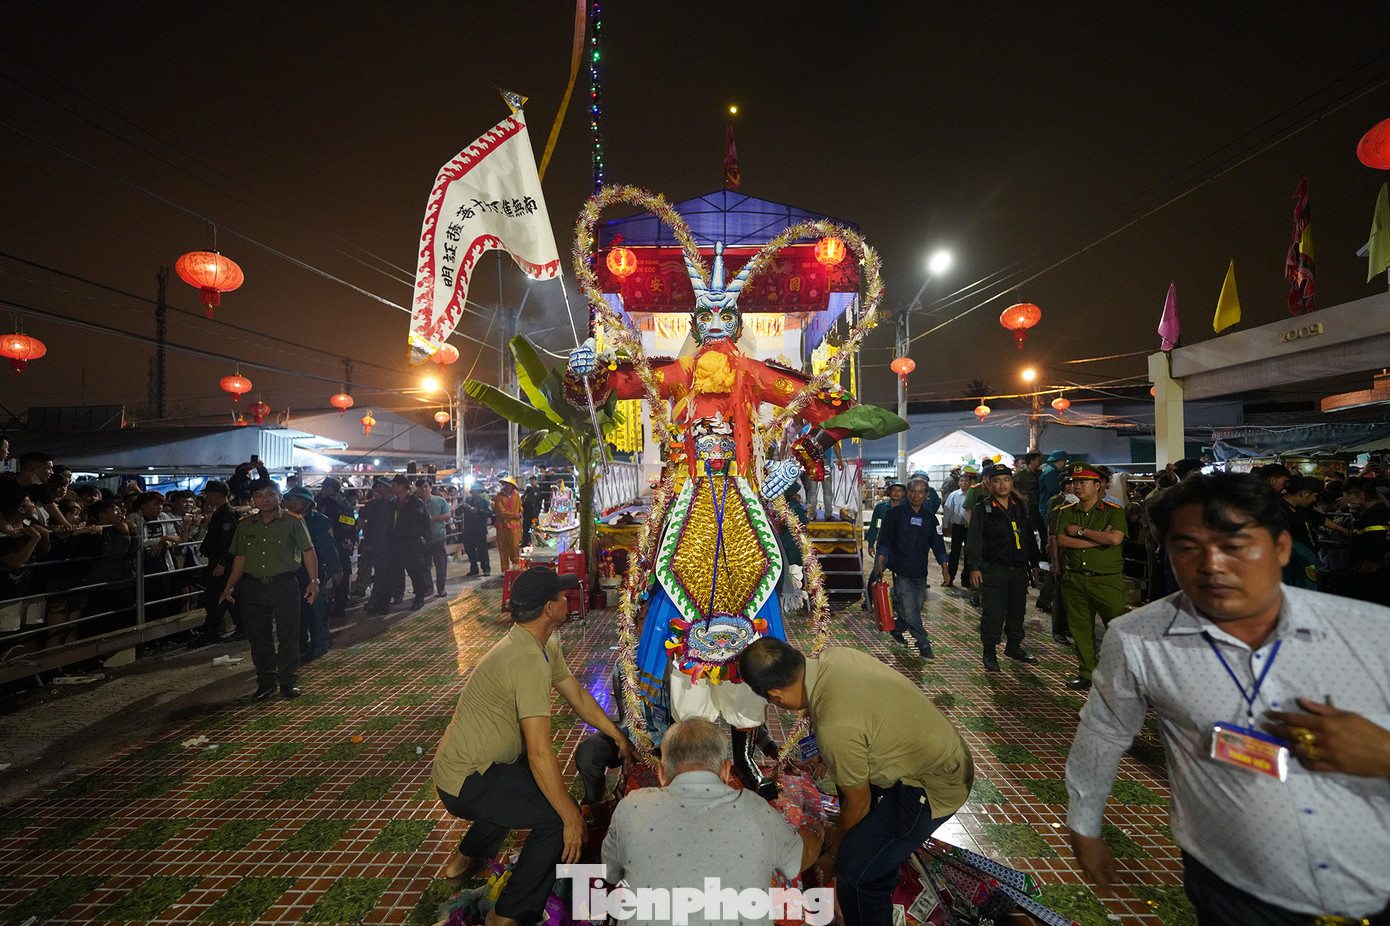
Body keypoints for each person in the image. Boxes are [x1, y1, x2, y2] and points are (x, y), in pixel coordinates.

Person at [1065, 472, 1390, 925]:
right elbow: (1104, 729)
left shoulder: (1373, 633)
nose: (1211, 565)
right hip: (1235, 889)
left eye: (1235, 546)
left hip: (1376, 884)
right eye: (1187, 548)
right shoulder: (1141, 637)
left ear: (1280, 548)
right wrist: (1084, 822)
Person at [431, 566, 635, 926]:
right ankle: (506, 915)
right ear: (548, 608)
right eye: (560, 595)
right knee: (555, 818)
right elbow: (540, 751)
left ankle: (463, 860)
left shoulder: (538, 644)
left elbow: (577, 695)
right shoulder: (526, 660)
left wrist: (618, 735)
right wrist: (571, 815)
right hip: (466, 779)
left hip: (474, 768)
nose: (566, 598)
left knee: (526, 787)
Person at [740, 638, 974, 926]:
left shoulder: (834, 726)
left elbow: (858, 803)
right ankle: (884, 866)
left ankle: (873, 884)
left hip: (935, 784)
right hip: (937, 751)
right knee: (865, 841)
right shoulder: (836, 657)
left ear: (775, 695)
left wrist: (835, 855)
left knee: (857, 872)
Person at [601, 717, 823, 918]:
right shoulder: (755, 809)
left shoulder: (632, 807)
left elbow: (610, 873)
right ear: (727, 772)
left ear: (660, 773)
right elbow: (798, 858)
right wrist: (820, 833)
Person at [218, 482, 319, 701]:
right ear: (253, 499)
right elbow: (241, 558)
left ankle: (288, 681)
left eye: (270, 494)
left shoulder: (293, 522)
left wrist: (314, 581)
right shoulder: (245, 525)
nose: (265, 499)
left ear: (279, 496)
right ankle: (266, 682)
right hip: (253, 587)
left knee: (288, 635)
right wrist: (229, 585)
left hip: (284, 585)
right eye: (259, 495)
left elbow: (308, 551)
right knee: (258, 637)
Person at [1053, 464, 1128, 690]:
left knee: (1116, 629)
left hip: (1106, 580)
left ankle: (1122, 676)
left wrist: (1081, 532)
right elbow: (1062, 540)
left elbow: (1115, 539)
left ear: (1098, 485)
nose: (1078, 486)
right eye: (1075, 482)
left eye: (1083, 482)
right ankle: (1087, 672)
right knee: (1081, 630)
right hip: (1075, 579)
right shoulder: (1066, 512)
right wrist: (1097, 540)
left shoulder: (1113, 511)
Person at [966, 463, 1042, 670]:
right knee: (994, 611)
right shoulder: (984, 508)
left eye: (1006, 480)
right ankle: (989, 652)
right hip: (994, 568)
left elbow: (1028, 536)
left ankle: (1014, 646)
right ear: (989, 484)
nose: (1002, 485)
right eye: (997, 481)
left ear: (1012, 482)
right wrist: (974, 567)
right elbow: (974, 539)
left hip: (1018, 568)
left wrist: (1034, 563)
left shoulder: (1019, 505)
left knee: (1017, 610)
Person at [873, 477, 949, 657]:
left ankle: (897, 628)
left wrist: (945, 568)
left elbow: (938, 544)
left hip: (920, 571)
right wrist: (879, 563)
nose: (916, 495)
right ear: (909, 492)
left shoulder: (930, 518)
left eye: (921, 492)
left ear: (926, 495)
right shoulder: (895, 514)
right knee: (909, 610)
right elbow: (885, 539)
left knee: (914, 609)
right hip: (901, 569)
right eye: (913, 491)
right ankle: (923, 643)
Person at [282, 486, 342, 661]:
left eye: (297, 500)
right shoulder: (284, 520)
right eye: (290, 500)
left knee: (316, 611)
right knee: (296, 613)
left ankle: (320, 645)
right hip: (292, 573)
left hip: (313, 572)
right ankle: (300, 644)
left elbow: (328, 547)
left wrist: (335, 569)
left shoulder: (319, 521)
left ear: (308, 503)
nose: (292, 504)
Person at [372, 474, 430, 612]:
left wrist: (424, 540)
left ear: (402, 486)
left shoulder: (415, 503)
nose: (392, 487)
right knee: (391, 574)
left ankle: (419, 597)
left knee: (415, 573)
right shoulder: (394, 504)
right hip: (396, 543)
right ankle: (382, 604)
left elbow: (425, 523)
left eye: (395, 485)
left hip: (411, 544)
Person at [194, 480, 240, 645]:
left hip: (221, 563)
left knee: (216, 597)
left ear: (216, 495)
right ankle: (235, 628)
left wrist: (222, 563)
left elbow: (228, 541)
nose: (206, 498)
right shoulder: (226, 512)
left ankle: (212, 631)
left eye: (208, 495)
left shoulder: (225, 514)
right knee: (225, 596)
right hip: (223, 561)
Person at [314, 476, 357, 622]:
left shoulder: (330, 502)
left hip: (333, 541)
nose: (321, 491)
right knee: (342, 571)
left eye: (323, 488)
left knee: (336, 572)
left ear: (329, 489)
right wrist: (349, 537)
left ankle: (337, 605)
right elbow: (350, 521)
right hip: (342, 541)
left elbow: (330, 521)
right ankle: (340, 604)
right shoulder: (344, 501)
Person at [355, 479, 393, 603]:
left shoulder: (391, 504)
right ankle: (363, 588)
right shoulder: (372, 505)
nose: (377, 490)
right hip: (372, 540)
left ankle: (381, 596)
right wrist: (356, 534)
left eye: (380, 487)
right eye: (376, 487)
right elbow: (362, 521)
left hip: (383, 542)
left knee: (383, 569)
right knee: (367, 565)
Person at [419, 478, 452, 598]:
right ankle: (428, 587)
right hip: (423, 538)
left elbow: (448, 515)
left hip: (438, 535)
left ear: (430, 488)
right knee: (424, 564)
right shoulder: (416, 503)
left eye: (425, 487)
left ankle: (441, 588)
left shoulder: (440, 501)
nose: (423, 489)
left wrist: (432, 518)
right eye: (421, 487)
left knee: (440, 564)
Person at [865, 481, 905, 563]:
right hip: (883, 545)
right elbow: (874, 526)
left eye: (899, 491)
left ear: (903, 493)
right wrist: (871, 545)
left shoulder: (907, 509)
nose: (896, 493)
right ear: (889, 491)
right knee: (876, 574)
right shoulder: (880, 508)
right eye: (894, 490)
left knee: (901, 575)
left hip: (901, 547)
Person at [493, 477, 523, 573]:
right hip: (502, 525)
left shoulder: (517, 495)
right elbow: (500, 511)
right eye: (506, 484)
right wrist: (514, 515)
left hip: (514, 525)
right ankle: (505, 569)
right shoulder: (498, 497)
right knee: (503, 547)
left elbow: (520, 507)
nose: (507, 486)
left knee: (515, 546)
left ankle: (516, 566)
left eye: (509, 485)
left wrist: (520, 513)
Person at [460, 485, 492, 576]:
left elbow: (490, 513)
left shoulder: (485, 502)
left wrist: (478, 511)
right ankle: (473, 567)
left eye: (477, 492)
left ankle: (486, 568)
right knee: (470, 550)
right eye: (474, 492)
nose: (475, 494)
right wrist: (462, 506)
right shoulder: (467, 502)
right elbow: (458, 512)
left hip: (480, 530)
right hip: (468, 530)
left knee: (482, 550)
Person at [520, 475, 543, 548]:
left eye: (533, 480)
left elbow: (536, 501)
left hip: (533, 512)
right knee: (525, 527)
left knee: (534, 527)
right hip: (527, 512)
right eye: (531, 480)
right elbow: (523, 499)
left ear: (536, 481)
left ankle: (534, 542)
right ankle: (525, 542)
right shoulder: (528, 490)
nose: (532, 481)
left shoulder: (537, 490)